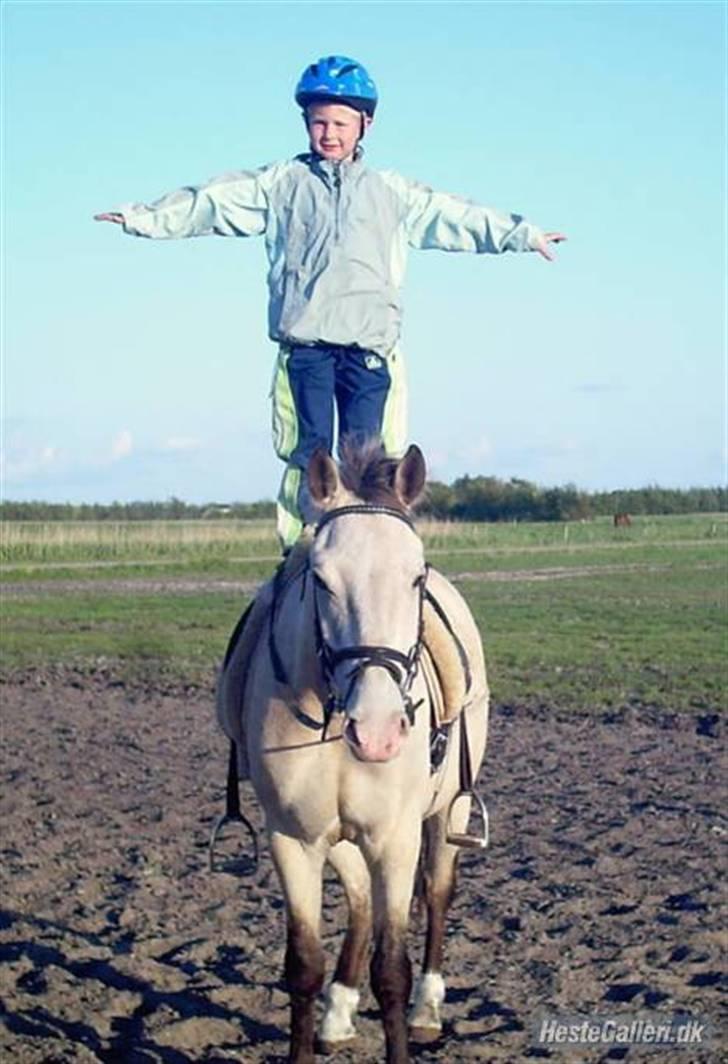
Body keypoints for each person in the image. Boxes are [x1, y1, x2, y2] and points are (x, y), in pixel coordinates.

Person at [96, 54, 566, 550]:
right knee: (311, 456)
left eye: (341, 122)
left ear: (366, 123)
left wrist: (523, 235)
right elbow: (209, 202)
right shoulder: (280, 184)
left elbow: (457, 216)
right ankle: (302, 550)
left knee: (375, 464)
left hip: (369, 350)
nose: (329, 133)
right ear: (305, 122)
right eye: (319, 121)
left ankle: (377, 547)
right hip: (306, 349)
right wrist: (140, 219)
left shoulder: (392, 192)